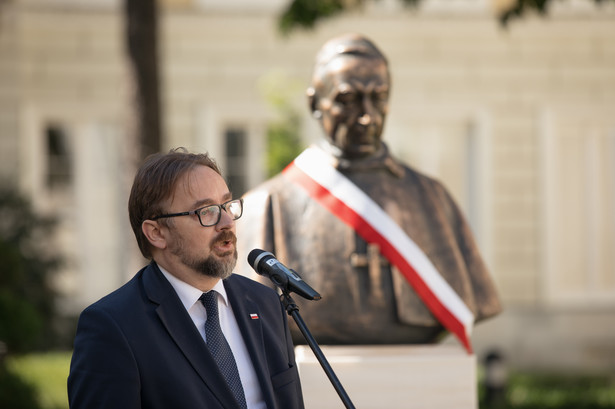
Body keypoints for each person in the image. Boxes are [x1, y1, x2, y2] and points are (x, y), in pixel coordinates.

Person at [237, 33, 501, 351]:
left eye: (378, 97)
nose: (367, 116)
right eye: (348, 100)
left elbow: (477, 301)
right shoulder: (267, 204)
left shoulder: (432, 197)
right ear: (314, 104)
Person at [68, 148, 305, 409]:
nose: (226, 221)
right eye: (206, 211)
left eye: (227, 205)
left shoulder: (264, 302)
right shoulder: (113, 327)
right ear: (157, 233)